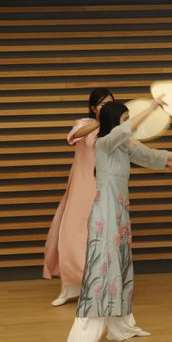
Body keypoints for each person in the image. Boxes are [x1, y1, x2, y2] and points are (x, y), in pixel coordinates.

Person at [67, 99, 172, 342]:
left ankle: (121, 328)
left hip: (118, 211)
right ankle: (82, 337)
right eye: (124, 118)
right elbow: (123, 132)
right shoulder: (104, 142)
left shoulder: (122, 145)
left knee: (119, 266)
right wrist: (151, 108)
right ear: (113, 123)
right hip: (105, 211)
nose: (128, 124)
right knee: (102, 268)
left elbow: (153, 155)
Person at [43, 88, 114, 306]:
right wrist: (101, 121)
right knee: (71, 235)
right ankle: (69, 287)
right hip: (82, 187)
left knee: (104, 238)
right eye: (102, 104)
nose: (106, 107)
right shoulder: (85, 124)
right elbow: (72, 137)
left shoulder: (117, 128)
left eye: (110, 103)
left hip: (106, 188)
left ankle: (101, 287)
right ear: (93, 108)